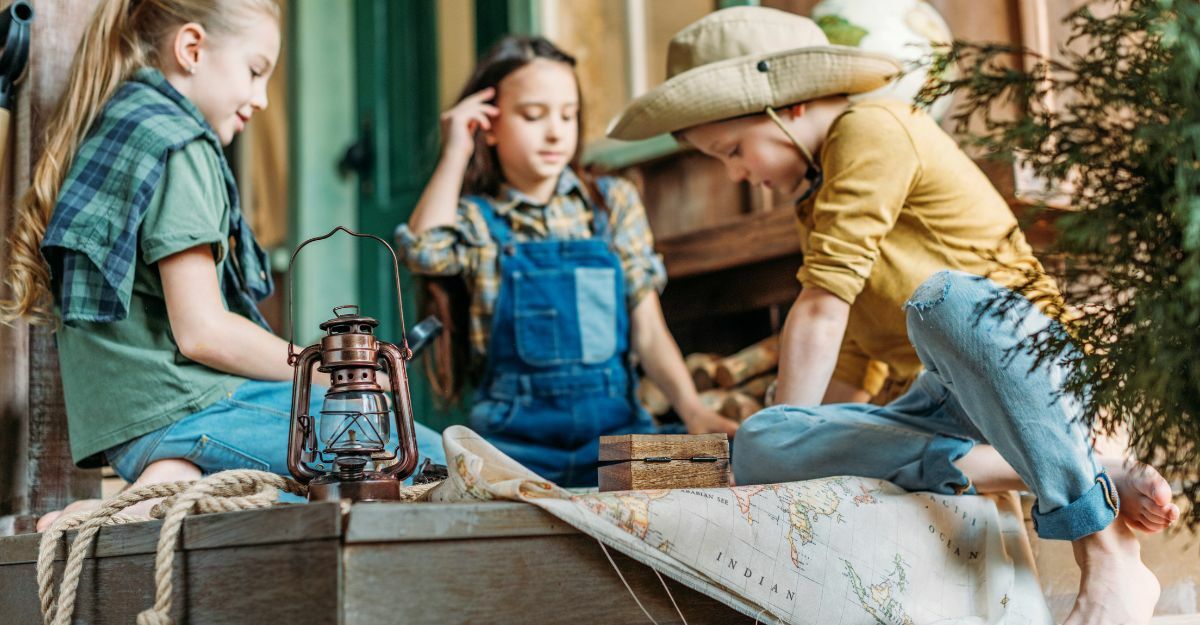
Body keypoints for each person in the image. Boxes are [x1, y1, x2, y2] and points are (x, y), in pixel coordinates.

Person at [608, 7, 1179, 625]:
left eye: (733, 151)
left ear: (789, 107)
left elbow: (824, 307)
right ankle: (1084, 468)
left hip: (1032, 370)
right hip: (947, 408)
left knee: (944, 302)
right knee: (758, 439)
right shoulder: (818, 197)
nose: (739, 172)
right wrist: (789, 440)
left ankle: (1108, 554)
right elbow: (853, 356)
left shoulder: (871, 125)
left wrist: (795, 418)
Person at [0, 0, 445, 530]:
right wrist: (322, 371)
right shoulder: (181, 145)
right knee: (427, 460)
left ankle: (164, 488)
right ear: (191, 49)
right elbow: (202, 333)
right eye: (255, 72)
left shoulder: (124, 124)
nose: (259, 100)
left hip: (134, 426)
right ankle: (142, 503)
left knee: (329, 490)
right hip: (184, 407)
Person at [398, 35, 738, 487]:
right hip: (511, 447)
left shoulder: (613, 202)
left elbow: (650, 331)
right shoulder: (476, 221)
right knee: (447, 487)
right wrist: (457, 148)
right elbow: (423, 250)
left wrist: (694, 410)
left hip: (617, 439)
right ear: (490, 127)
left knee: (711, 471)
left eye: (568, 114)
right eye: (533, 116)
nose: (556, 131)